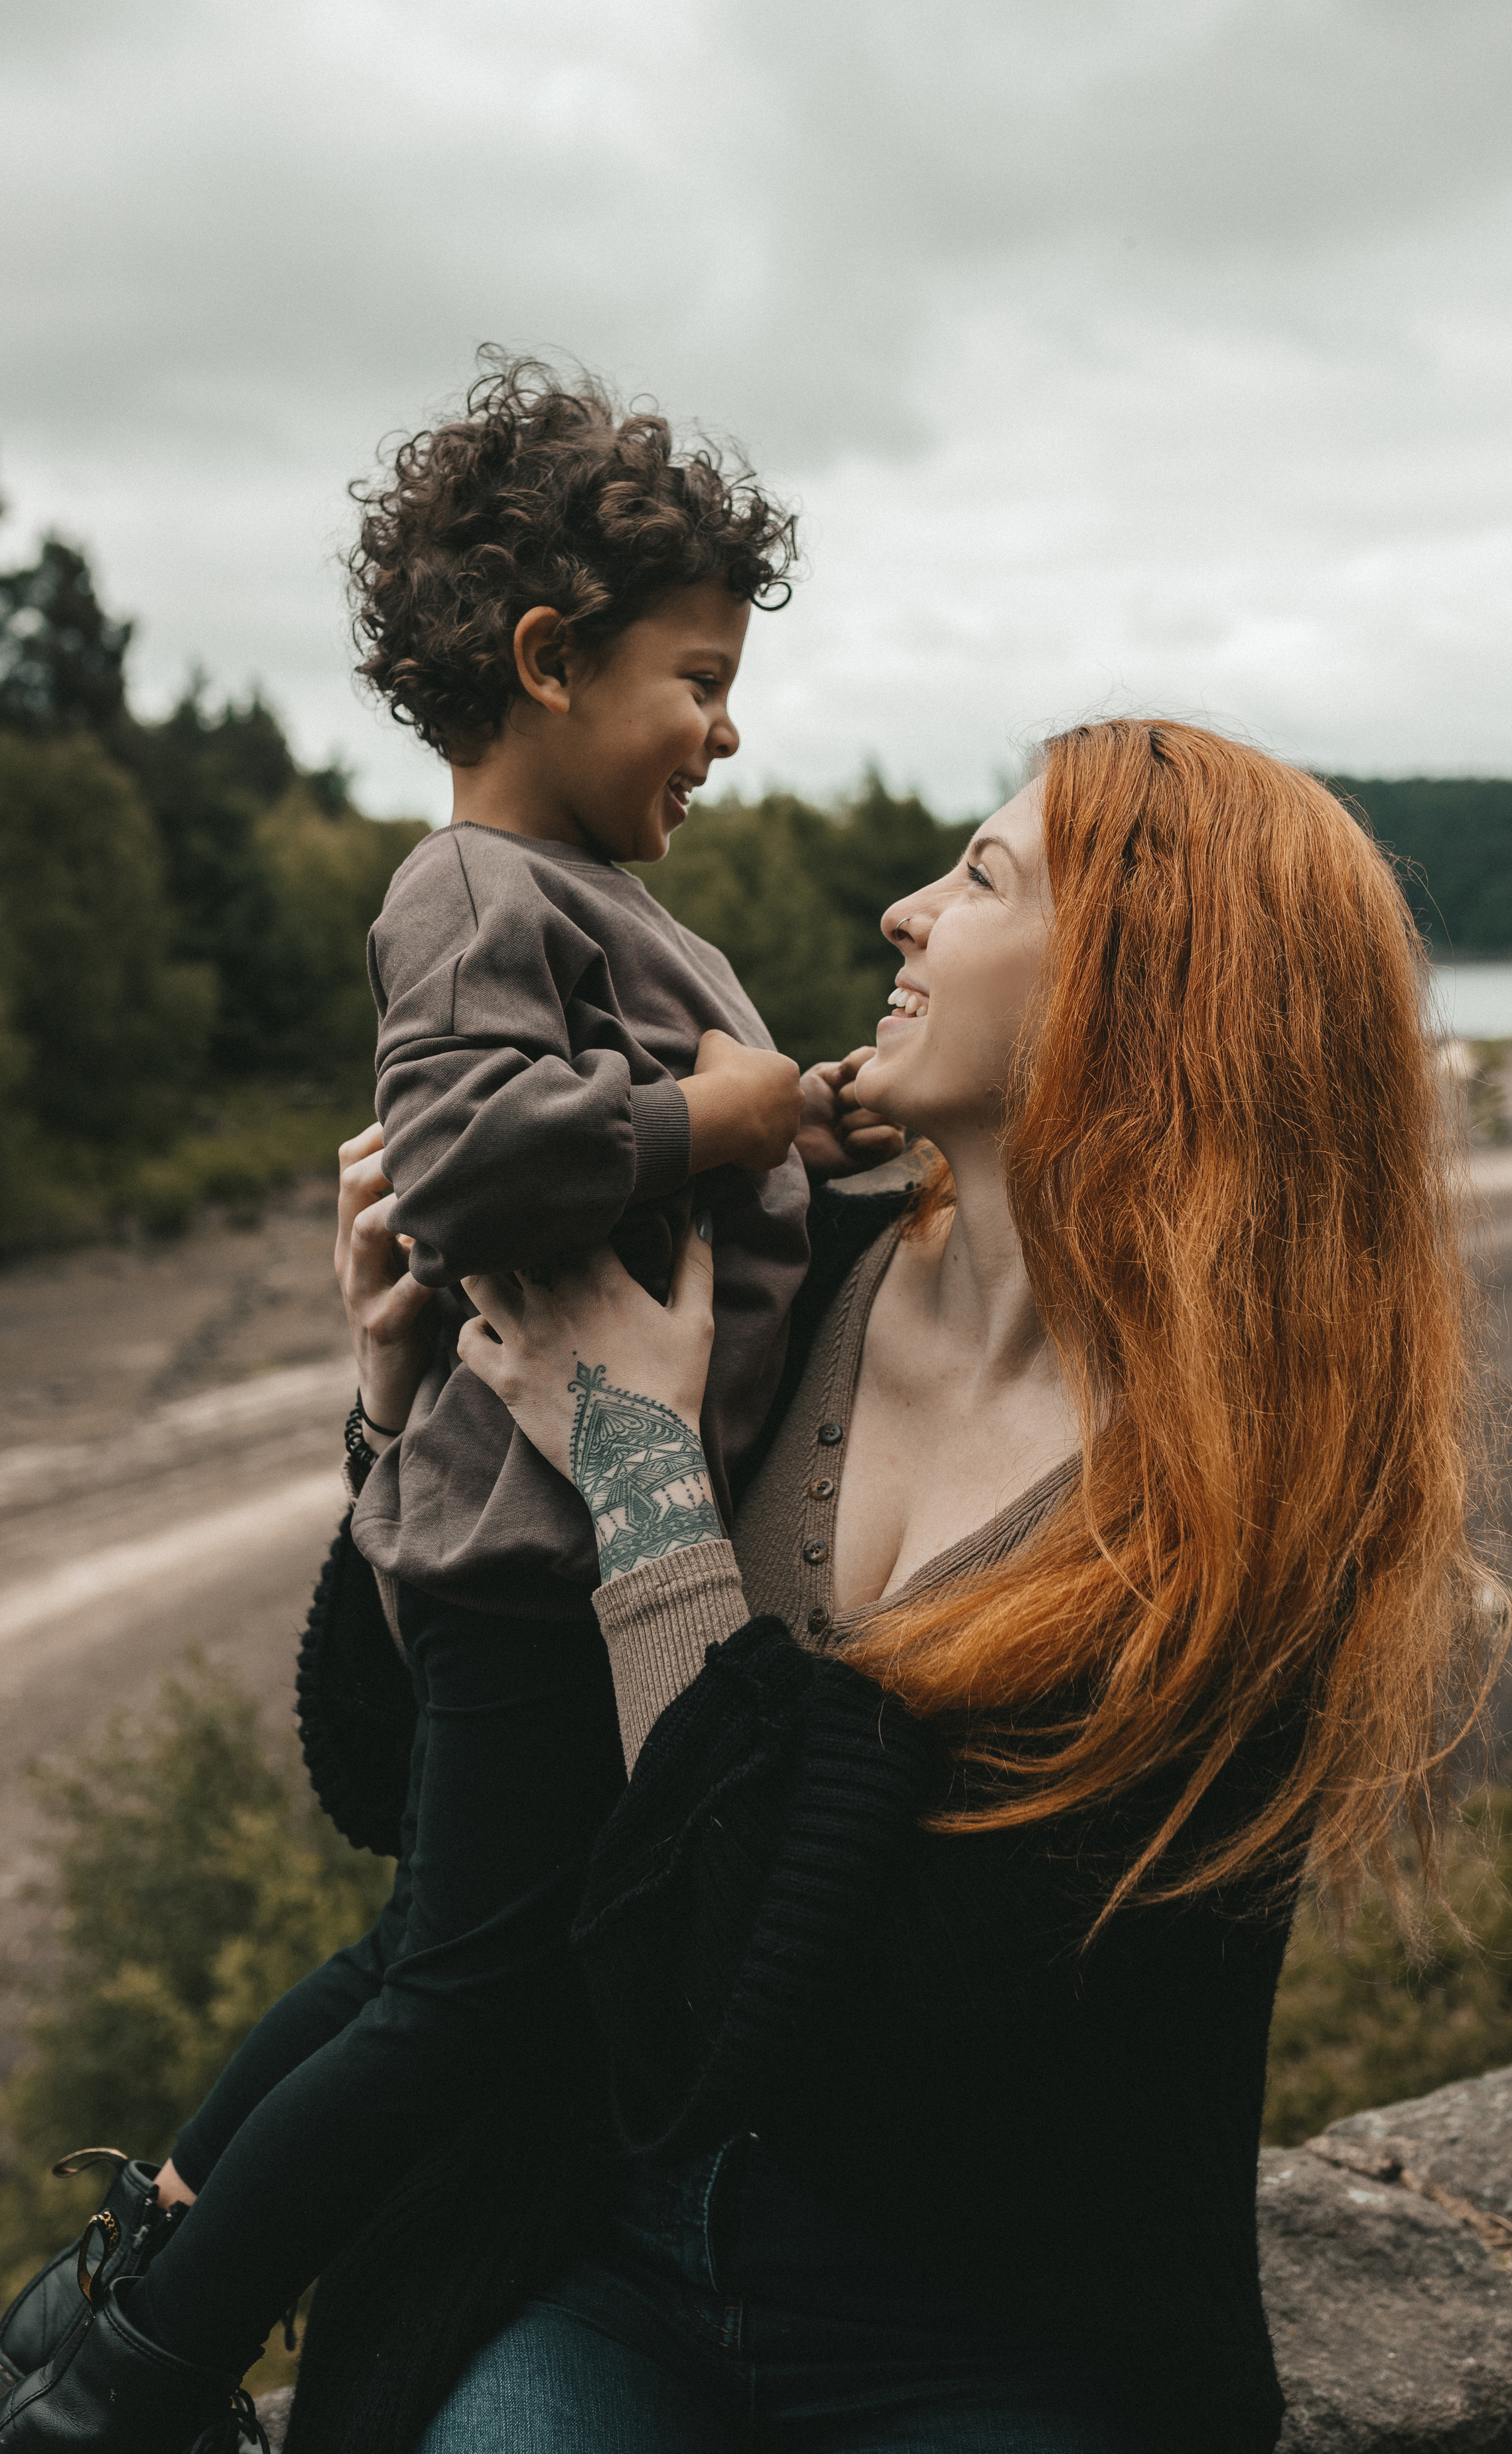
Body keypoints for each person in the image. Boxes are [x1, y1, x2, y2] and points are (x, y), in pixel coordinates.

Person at [291, 719, 1499, 2454]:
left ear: (1146, 995)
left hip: (992, 2333)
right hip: (597, 2249)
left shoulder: (1253, 1524)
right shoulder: (780, 1284)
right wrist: (397, 1404)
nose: (903, 911)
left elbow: (814, 2029)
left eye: (983, 879)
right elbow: (388, 1782)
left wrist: (641, 1474)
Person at [0, 359, 892, 2454]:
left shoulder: (601, 908)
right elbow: (465, 1168)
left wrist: (806, 1125)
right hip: (530, 1560)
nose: (728, 729)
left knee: (421, 1959)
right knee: (469, 2005)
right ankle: (138, 2383)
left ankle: (90, 2299)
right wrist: (723, 1113)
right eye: (700, 680)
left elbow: (657, 1156)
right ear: (550, 661)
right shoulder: (472, 891)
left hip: (531, 1548)